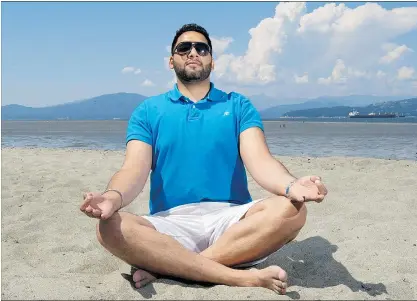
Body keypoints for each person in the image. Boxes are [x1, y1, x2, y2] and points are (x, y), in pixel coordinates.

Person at [80, 23, 328, 295]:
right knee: (110, 228)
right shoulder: (148, 111)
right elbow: (133, 170)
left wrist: (292, 186)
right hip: (170, 222)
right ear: (171, 60)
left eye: (201, 48)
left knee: (292, 210)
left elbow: (261, 161)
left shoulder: (237, 105)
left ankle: (171, 267)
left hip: (231, 222)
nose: (193, 52)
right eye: (183, 48)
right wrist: (113, 197)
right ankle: (239, 276)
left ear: (212, 59)